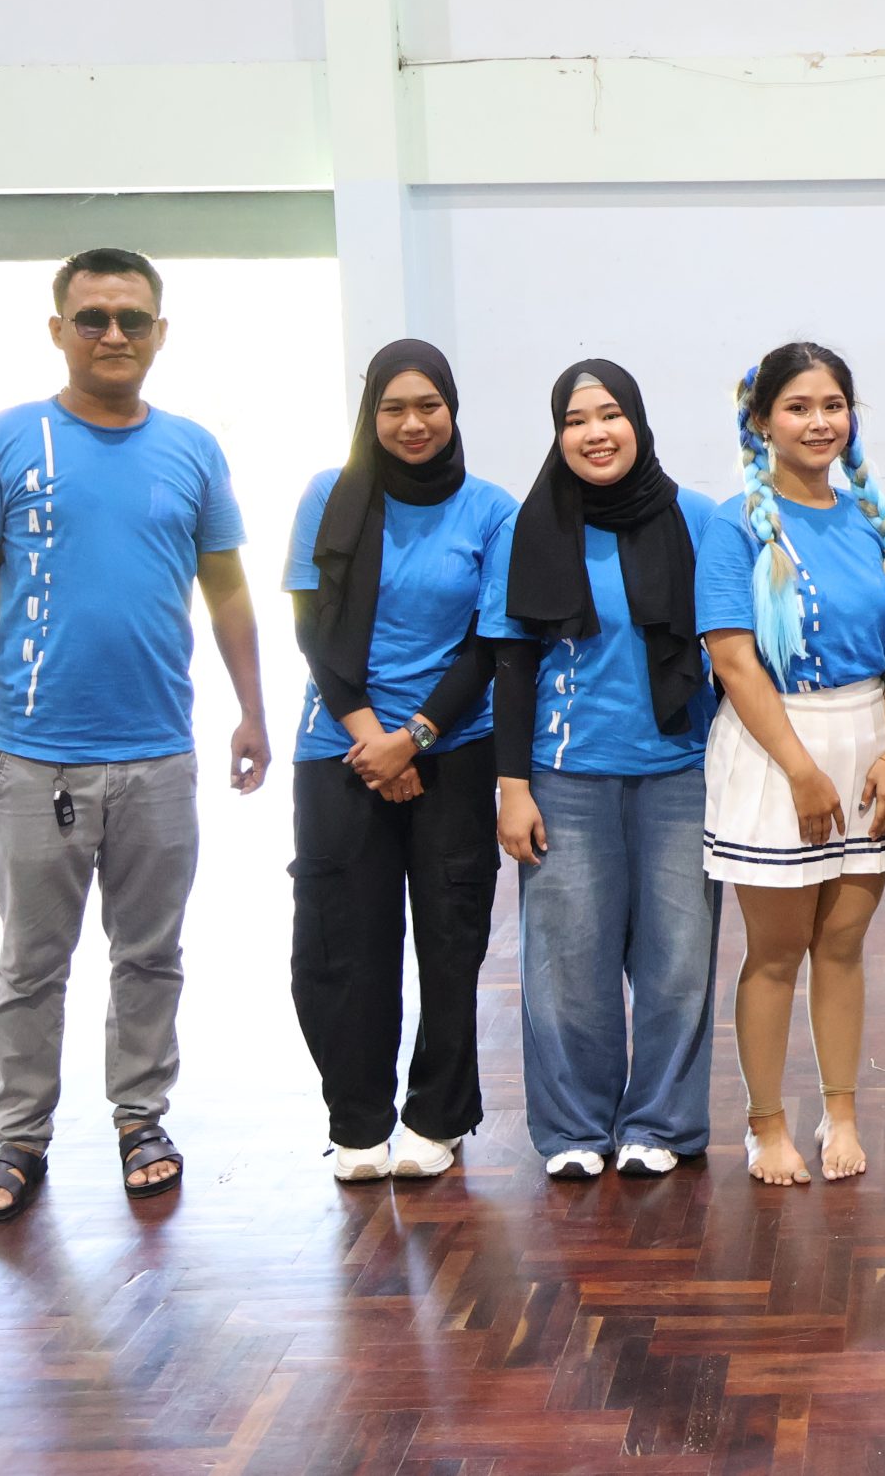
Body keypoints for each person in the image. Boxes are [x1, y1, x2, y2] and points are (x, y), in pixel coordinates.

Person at [0, 247, 269, 1223]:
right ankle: (20, 1135)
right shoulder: (5, 441)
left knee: (150, 954)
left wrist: (251, 709)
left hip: (159, 754)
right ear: (59, 329)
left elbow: (228, 591)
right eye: (94, 317)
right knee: (31, 962)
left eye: (132, 318)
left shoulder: (193, 448)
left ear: (160, 332)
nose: (114, 334)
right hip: (36, 758)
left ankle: (140, 1118)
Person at [283, 341, 515, 1182]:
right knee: (341, 942)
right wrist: (372, 736)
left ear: (451, 409)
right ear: (371, 413)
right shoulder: (329, 496)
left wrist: (411, 737)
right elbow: (312, 626)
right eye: (394, 408)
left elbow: (490, 643)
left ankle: (436, 1116)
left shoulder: (491, 509)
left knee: (451, 942)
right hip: (339, 749)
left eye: (428, 406)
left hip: (451, 747)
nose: (413, 423)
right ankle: (357, 1117)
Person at [484, 361, 721, 1180]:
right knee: (566, 967)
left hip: (682, 772)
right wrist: (513, 788)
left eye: (610, 413)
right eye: (575, 419)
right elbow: (512, 666)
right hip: (566, 776)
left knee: (678, 962)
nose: (595, 432)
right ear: (558, 434)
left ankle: (660, 1121)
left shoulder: (697, 517)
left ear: (638, 422)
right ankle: (575, 1128)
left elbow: (732, 646)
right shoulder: (529, 528)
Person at [696, 343, 885, 1184]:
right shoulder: (735, 524)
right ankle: (765, 1124)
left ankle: (841, 1110)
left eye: (833, 405)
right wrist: (799, 768)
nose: (819, 422)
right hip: (776, 746)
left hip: (868, 745)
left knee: (845, 942)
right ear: (761, 421)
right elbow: (733, 658)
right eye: (798, 406)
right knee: (777, 949)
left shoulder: (870, 518)